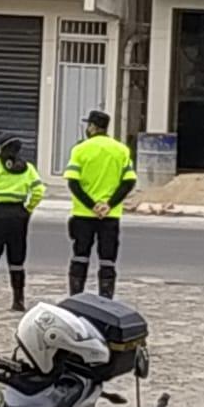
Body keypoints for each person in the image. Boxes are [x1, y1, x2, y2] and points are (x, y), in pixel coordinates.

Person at [65, 110, 137, 299]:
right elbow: (129, 182)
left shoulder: (80, 149)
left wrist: (92, 205)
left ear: (92, 127)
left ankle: (76, 297)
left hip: (83, 214)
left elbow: (73, 183)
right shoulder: (121, 150)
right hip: (110, 215)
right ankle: (106, 299)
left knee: (80, 257)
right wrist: (108, 205)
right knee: (107, 261)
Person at [0, 133, 45, 313]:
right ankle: (18, 300)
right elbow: (38, 190)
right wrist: (28, 209)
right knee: (17, 260)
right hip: (18, 216)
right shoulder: (27, 168)